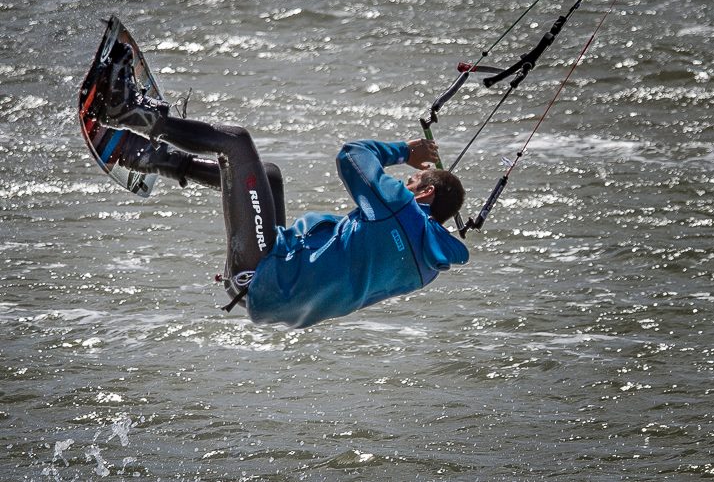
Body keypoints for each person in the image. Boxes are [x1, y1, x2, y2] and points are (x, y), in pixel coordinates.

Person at [93, 42, 469, 328]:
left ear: (425, 193)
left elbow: (352, 156)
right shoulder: (427, 266)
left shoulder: (401, 210)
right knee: (266, 175)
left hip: (261, 274)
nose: (402, 183)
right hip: (274, 294)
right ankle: (152, 159)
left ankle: (125, 111)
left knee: (236, 143)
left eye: (410, 181)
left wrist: (404, 151)